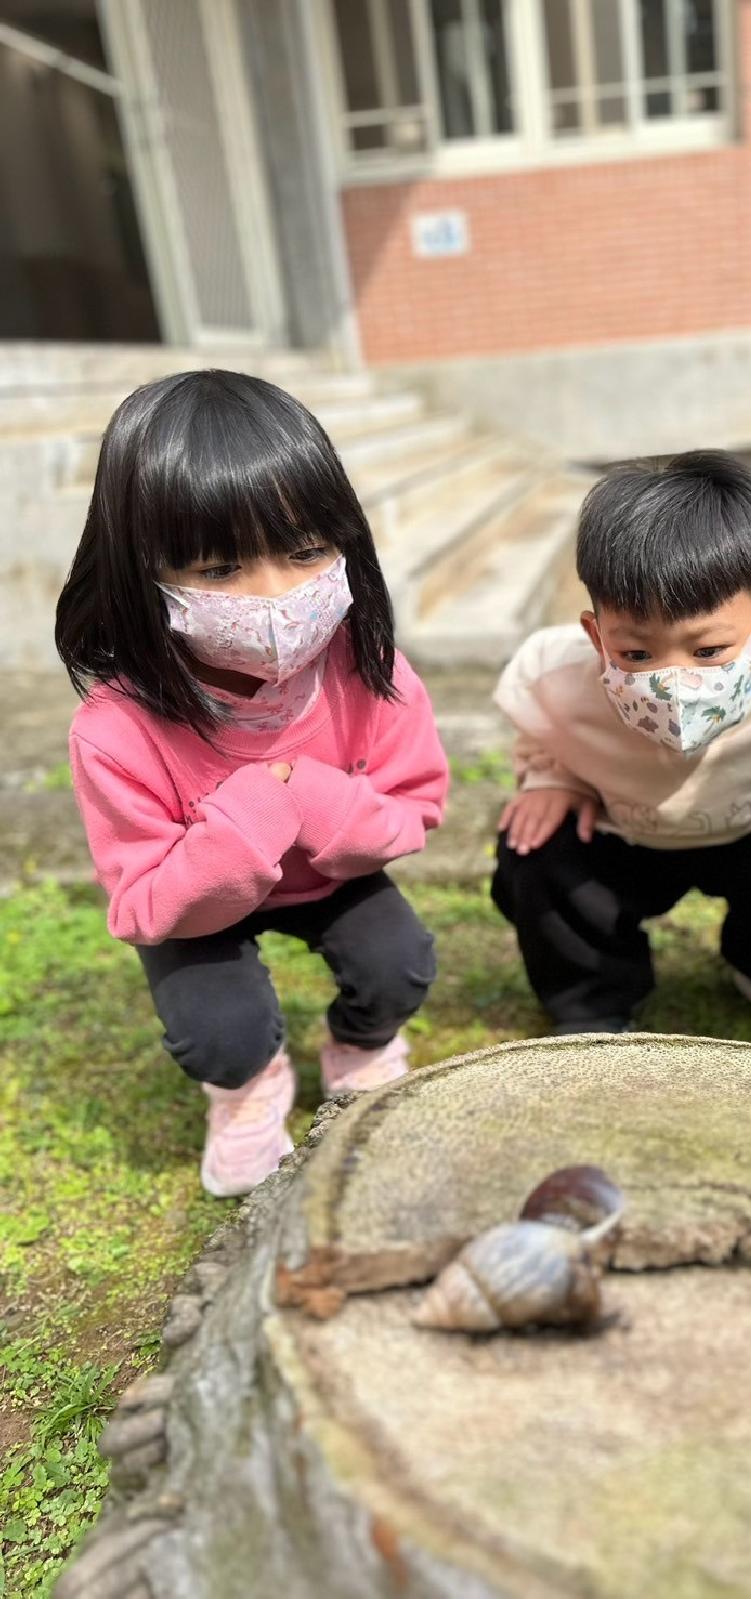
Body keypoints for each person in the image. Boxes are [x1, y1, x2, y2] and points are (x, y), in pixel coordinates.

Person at [55, 370, 449, 1196]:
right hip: (199, 908)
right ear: (139, 569)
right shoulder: (116, 728)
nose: (277, 596)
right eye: (219, 568)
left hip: (330, 876)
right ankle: (247, 1086)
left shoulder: (369, 671)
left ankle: (362, 1044)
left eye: (307, 552)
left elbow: (414, 810)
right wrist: (260, 805)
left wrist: (309, 792)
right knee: (218, 1030)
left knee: (399, 963)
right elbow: (144, 903)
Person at [491, 450, 751, 1047]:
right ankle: (591, 1000)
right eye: (637, 654)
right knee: (533, 844)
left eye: (707, 651)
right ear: (595, 635)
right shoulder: (553, 673)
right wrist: (552, 779)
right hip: (622, 833)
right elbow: (542, 723)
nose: (672, 681)